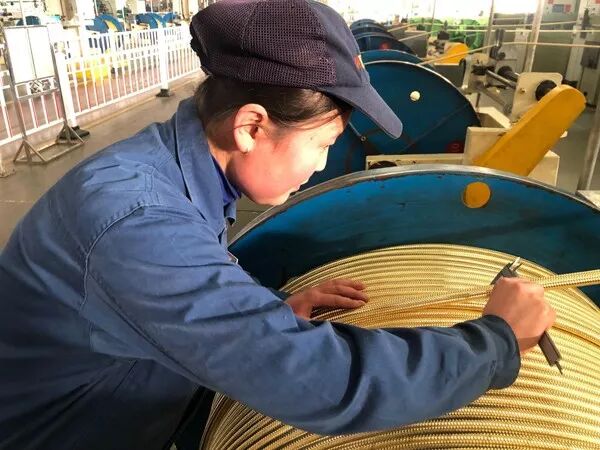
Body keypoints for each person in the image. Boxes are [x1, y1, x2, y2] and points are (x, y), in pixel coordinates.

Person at [0, 1, 556, 449]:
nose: (321, 164)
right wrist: (495, 342)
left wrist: (265, 314)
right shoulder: (137, 223)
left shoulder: (172, 167)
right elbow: (324, 382)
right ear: (251, 126)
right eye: (322, 143)